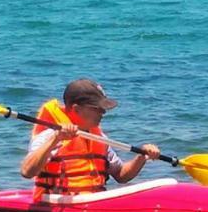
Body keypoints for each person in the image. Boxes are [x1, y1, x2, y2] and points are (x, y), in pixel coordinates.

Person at [20, 78, 160, 200]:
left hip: (93, 201)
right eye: (97, 109)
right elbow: (27, 171)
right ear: (76, 109)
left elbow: (121, 175)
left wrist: (141, 156)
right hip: (59, 202)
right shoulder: (50, 135)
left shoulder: (99, 138)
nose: (103, 113)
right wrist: (56, 139)